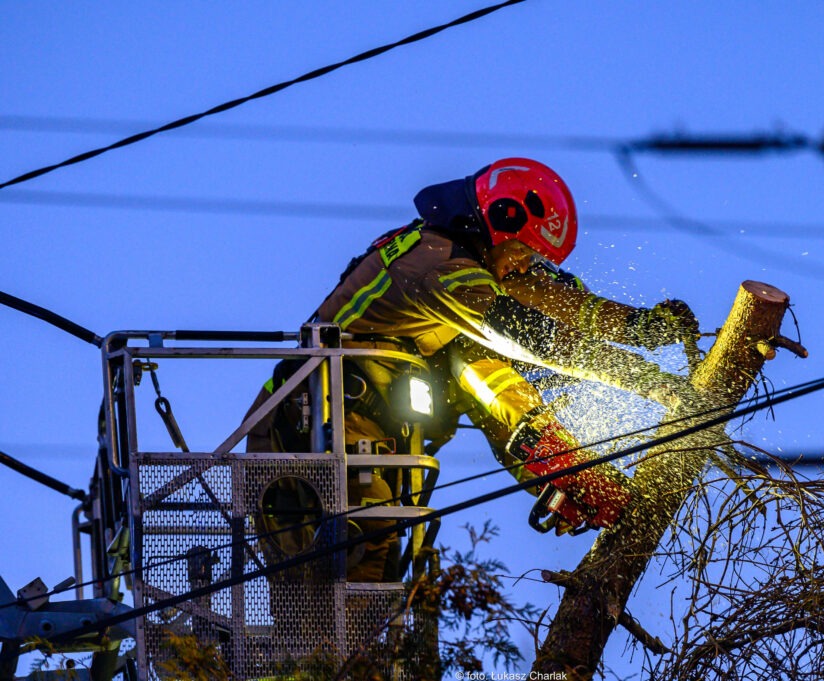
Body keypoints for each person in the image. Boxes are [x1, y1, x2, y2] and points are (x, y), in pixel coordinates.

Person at [246, 157, 702, 582]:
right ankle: (319, 664)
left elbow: (560, 301)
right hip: (300, 429)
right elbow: (533, 336)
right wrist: (651, 382)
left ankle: (564, 468)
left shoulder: (480, 260)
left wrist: (641, 327)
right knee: (357, 559)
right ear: (500, 221)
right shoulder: (440, 266)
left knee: (474, 370)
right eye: (524, 253)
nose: (525, 266)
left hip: (365, 428)